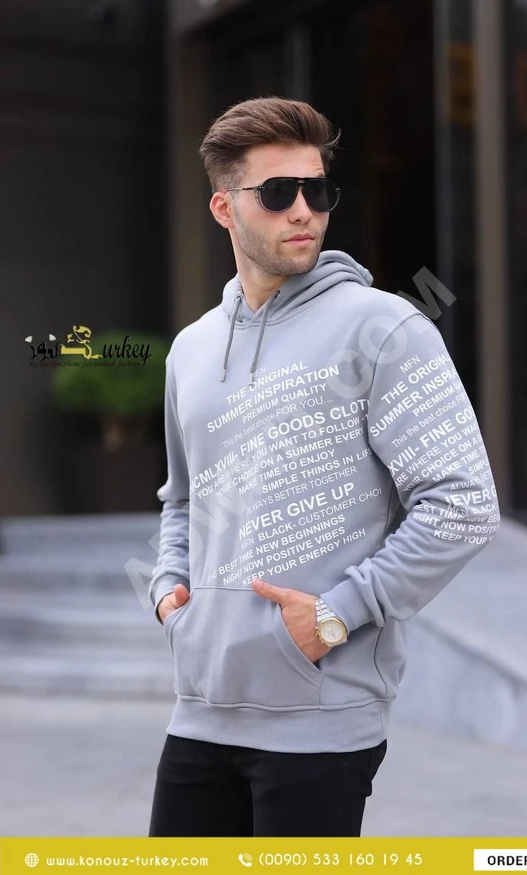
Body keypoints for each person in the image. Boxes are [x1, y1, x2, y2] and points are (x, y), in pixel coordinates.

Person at [147, 96, 500, 838]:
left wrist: (336, 615)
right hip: (200, 709)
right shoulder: (191, 349)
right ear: (223, 207)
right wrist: (169, 599)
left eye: (318, 190)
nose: (303, 210)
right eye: (279, 192)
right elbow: (182, 499)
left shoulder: (386, 327)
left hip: (320, 719)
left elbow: (461, 504)